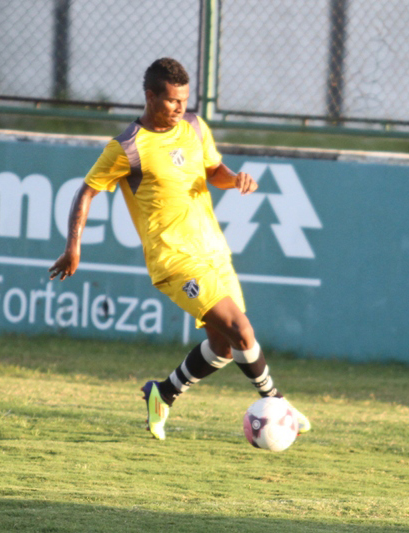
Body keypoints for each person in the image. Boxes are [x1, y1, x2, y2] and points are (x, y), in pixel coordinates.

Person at [48, 57, 310, 440]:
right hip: (174, 260)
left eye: (184, 100)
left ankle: (164, 393)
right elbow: (86, 191)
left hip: (214, 251)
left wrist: (235, 179)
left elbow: (213, 170)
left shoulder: (194, 127)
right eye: (172, 100)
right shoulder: (127, 147)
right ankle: (277, 401)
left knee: (223, 347)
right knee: (241, 330)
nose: (179, 108)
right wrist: (73, 247)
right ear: (150, 96)